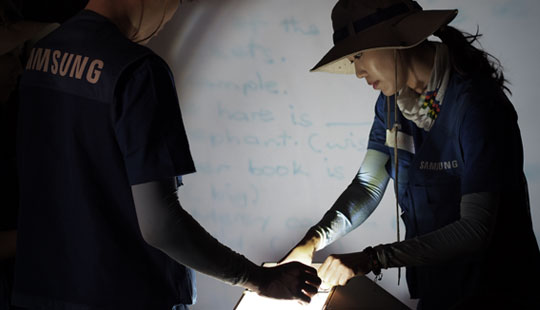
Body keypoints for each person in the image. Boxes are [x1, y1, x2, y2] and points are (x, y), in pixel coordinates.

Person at [13, 0, 320, 309]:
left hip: (40, 291)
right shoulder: (138, 70)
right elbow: (160, 226)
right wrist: (260, 279)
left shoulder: (38, 57)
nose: (170, 18)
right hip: (123, 295)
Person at [281, 0, 540, 309]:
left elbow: (476, 228)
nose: (358, 71)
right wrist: (312, 241)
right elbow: (368, 185)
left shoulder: (478, 107)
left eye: (359, 55)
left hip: (500, 293)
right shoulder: (391, 104)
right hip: (441, 291)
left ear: (395, 42)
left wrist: (372, 259)